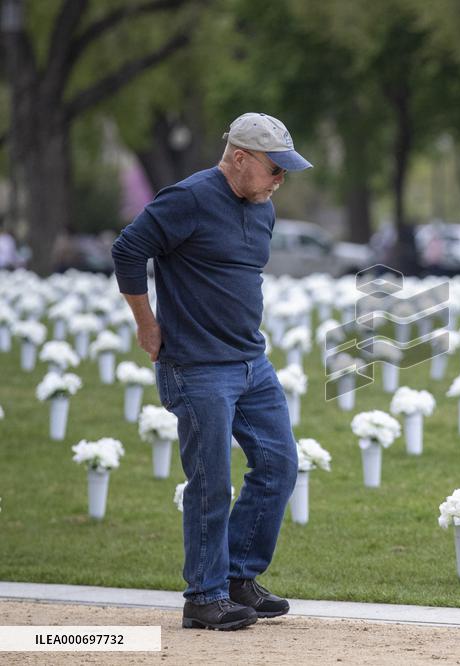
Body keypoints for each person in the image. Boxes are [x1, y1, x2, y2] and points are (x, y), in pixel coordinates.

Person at [111, 113, 312, 631]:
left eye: (285, 171)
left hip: (251, 363)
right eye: (274, 169)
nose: (280, 180)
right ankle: (204, 597)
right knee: (211, 483)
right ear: (240, 158)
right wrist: (146, 324)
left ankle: (238, 577)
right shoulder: (189, 198)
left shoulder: (262, 207)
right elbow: (128, 249)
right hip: (198, 367)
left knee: (279, 465)